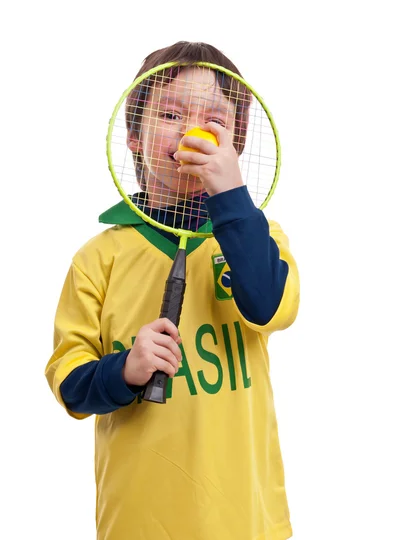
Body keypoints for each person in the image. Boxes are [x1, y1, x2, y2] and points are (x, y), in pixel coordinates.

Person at [45, 41, 300, 540]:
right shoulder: (97, 258)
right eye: (169, 112)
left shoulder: (262, 238)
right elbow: (67, 379)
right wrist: (126, 369)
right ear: (135, 137)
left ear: (236, 144)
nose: (192, 128)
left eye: (214, 119)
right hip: (140, 521)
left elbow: (271, 306)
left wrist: (231, 197)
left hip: (245, 521)